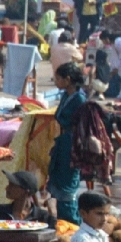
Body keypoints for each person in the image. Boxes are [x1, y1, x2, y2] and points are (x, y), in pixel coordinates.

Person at [47, 61, 89, 223]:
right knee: (57, 178)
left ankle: (72, 221)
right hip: (63, 142)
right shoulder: (67, 95)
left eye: (58, 79)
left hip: (73, 144)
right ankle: (62, 219)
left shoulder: (80, 99)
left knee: (68, 183)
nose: (56, 82)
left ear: (68, 79)